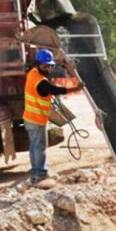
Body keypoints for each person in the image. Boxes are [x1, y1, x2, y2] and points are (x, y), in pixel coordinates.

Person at [23, 49, 82, 188]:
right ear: (38, 64)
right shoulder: (41, 82)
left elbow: (50, 87)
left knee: (34, 146)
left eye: (49, 66)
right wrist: (75, 89)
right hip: (37, 119)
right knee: (39, 148)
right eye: (45, 66)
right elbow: (54, 90)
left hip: (30, 118)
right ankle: (40, 174)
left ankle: (36, 171)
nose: (48, 68)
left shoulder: (32, 73)